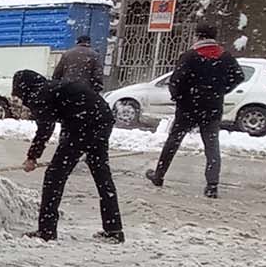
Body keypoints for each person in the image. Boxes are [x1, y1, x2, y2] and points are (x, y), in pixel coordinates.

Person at [14, 70, 123, 243]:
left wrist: (32, 157)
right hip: (102, 119)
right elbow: (69, 113)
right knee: (101, 175)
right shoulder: (52, 88)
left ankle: (47, 231)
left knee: (54, 176)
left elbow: (45, 128)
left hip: (83, 125)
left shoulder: (39, 94)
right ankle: (114, 229)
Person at [146, 25, 244, 199]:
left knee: (173, 141)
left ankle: (159, 175)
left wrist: (179, 97)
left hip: (188, 107)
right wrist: (220, 90)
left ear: (198, 36)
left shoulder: (189, 56)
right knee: (212, 145)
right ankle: (212, 185)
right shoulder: (225, 56)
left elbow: (176, 81)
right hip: (213, 106)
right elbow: (238, 76)